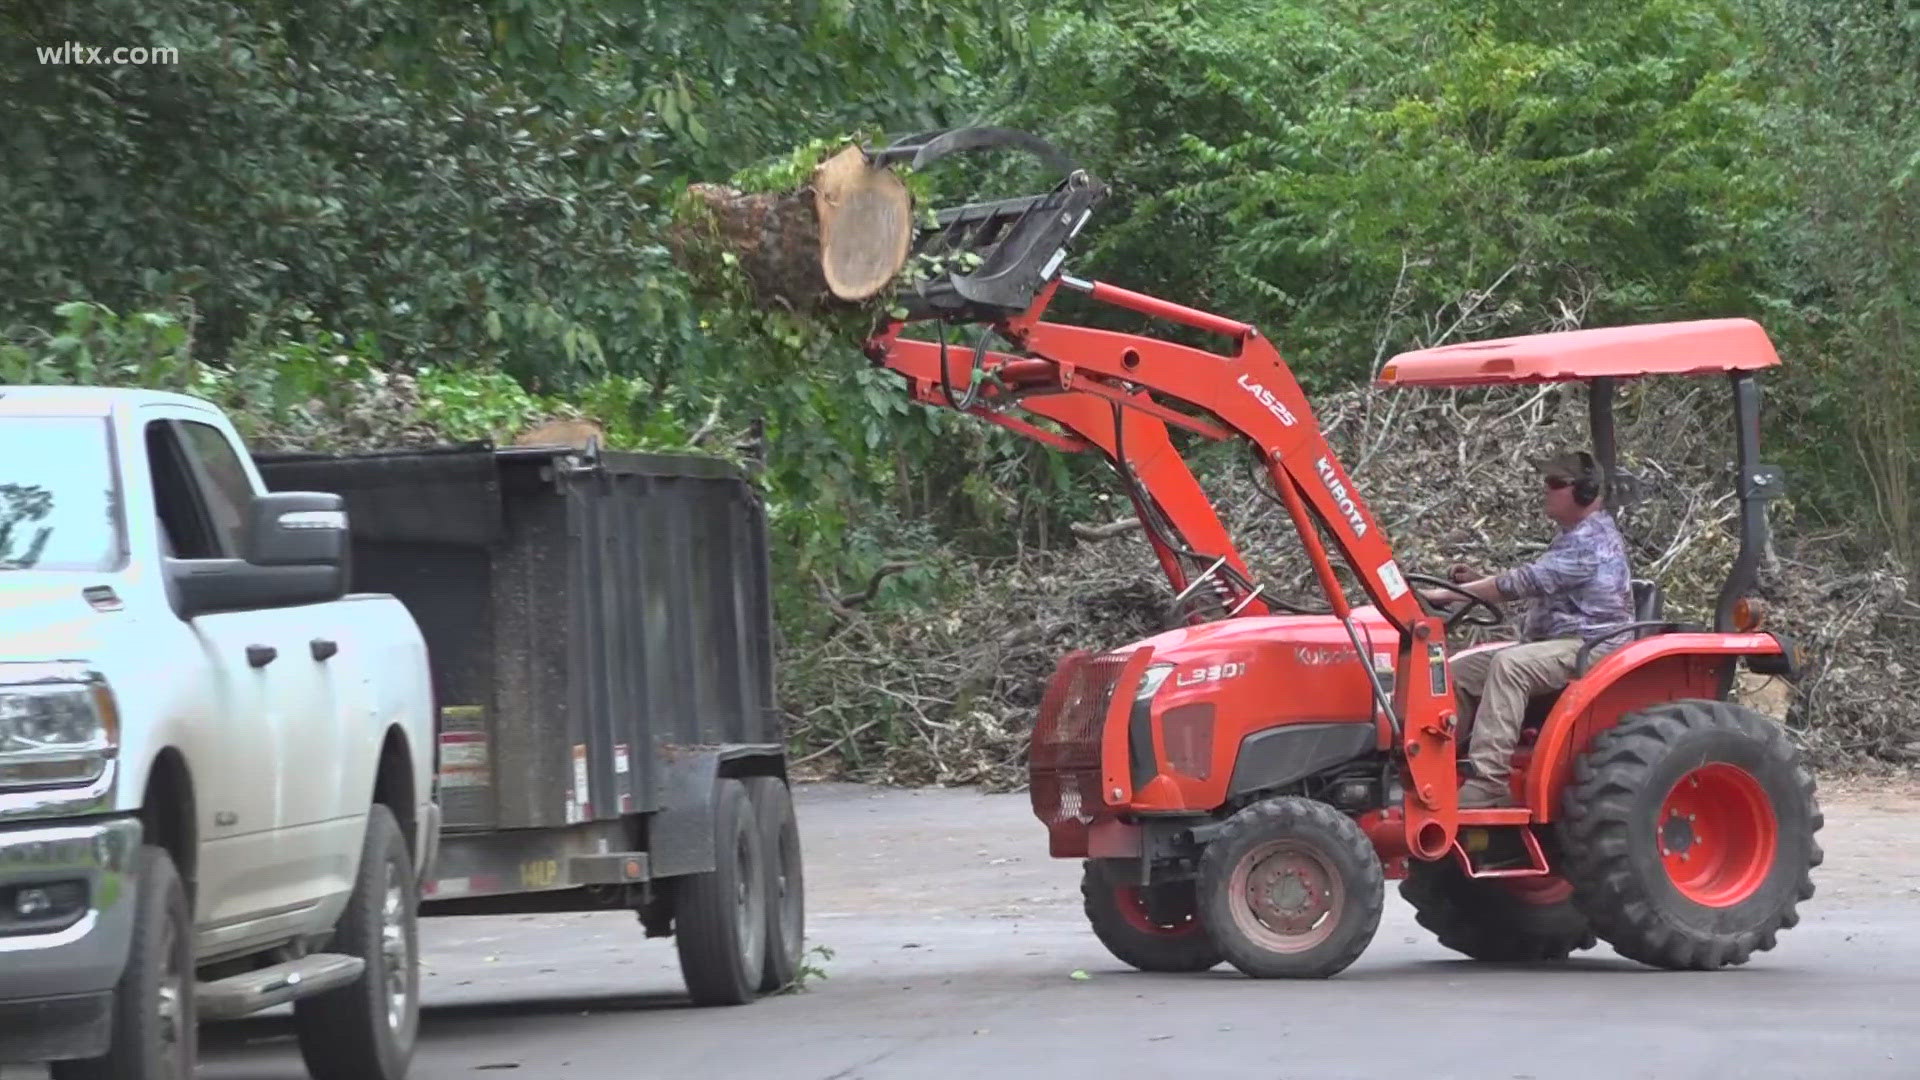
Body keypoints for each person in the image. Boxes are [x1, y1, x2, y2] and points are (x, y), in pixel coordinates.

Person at [1418, 450, 1632, 807]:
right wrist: (1474, 584)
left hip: (1591, 645)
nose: (1545, 490)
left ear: (1585, 492)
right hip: (1557, 641)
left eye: (1555, 483)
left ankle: (1489, 781)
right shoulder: (1572, 537)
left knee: (1510, 666)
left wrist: (1447, 595)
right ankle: (1431, 767)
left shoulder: (1592, 541)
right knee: (1457, 670)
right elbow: (1536, 584)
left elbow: (1521, 582)